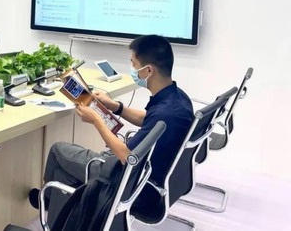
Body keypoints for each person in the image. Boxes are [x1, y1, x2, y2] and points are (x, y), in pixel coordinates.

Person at [31, 34, 194, 226]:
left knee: (58, 151)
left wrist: (97, 120)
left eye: (133, 64)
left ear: (148, 70)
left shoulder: (164, 113)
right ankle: (65, 216)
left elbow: (127, 157)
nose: (132, 68)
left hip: (128, 181)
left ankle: (48, 202)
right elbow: (147, 120)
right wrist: (116, 107)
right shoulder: (177, 99)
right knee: (64, 173)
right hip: (148, 175)